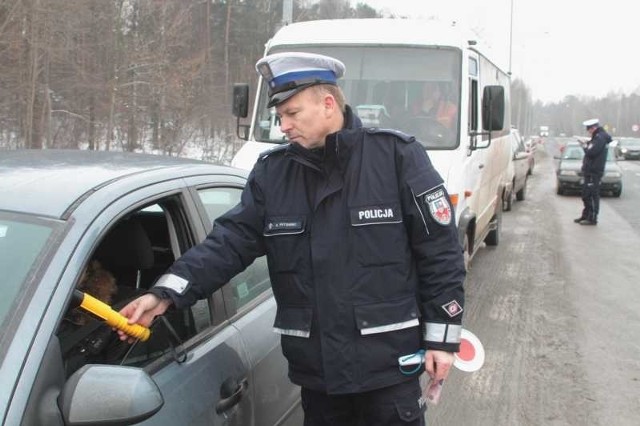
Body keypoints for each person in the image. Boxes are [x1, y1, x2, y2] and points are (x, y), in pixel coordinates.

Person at [118, 52, 466, 425]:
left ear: (328, 104)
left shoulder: (396, 158)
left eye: (292, 113)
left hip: (388, 375)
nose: (283, 125)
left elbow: (440, 255)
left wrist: (442, 341)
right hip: (319, 380)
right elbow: (228, 243)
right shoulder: (273, 174)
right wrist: (165, 294)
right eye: (279, 116)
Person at [574, 118, 612, 225]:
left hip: (593, 171)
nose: (588, 131)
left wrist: (584, 146)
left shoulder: (600, 138)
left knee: (591, 195)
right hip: (590, 170)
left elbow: (591, 152)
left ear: (593, 128)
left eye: (589, 129)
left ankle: (592, 218)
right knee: (586, 195)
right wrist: (587, 143)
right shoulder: (597, 137)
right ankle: (586, 215)